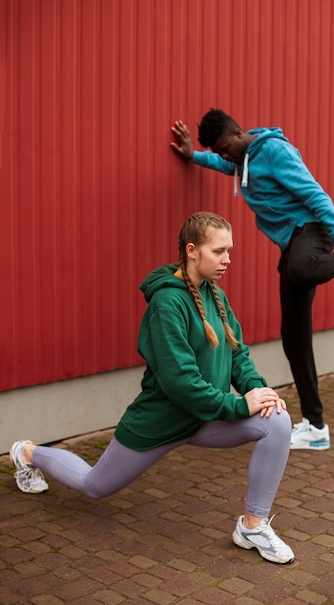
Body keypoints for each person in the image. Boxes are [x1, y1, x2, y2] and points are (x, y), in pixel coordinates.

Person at [10, 211, 295, 564]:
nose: (227, 260)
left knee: (277, 420)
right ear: (192, 250)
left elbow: (237, 353)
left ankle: (252, 526)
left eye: (229, 251)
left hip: (205, 417)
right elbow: (180, 381)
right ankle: (27, 453)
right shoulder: (167, 303)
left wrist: (258, 391)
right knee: (94, 486)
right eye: (219, 251)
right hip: (162, 420)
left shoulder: (215, 295)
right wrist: (239, 406)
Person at [170, 109, 334, 451]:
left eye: (225, 148)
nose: (225, 156)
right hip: (293, 243)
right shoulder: (242, 160)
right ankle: (315, 427)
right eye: (219, 152)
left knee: (301, 269)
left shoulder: (274, 151)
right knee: (293, 337)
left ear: (237, 133)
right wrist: (195, 156)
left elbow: (314, 193)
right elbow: (227, 167)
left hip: (312, 232)